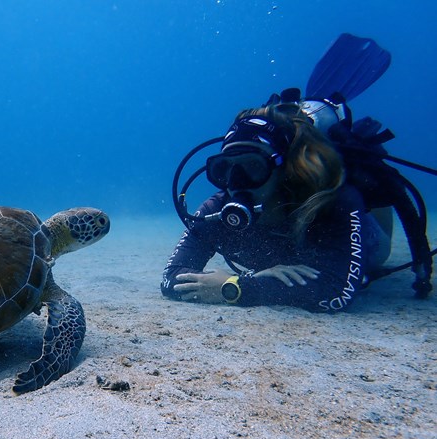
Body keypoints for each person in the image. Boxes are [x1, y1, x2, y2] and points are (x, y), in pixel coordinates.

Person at [161, 104, 393, 312]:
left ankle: (374, 181)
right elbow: (171, 278)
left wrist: (235, 287)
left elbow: (337, 290)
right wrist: (245, 282)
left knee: (380, 252)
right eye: (226, 169)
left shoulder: (331, 201)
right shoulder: (217, 210)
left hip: (368, 237)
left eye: (253, 166)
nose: (237, 182)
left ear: (284, 169)